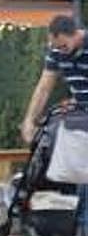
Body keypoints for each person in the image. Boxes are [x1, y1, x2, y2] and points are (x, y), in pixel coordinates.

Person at [20, 14, 88, 145]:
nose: (60, 51)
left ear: (75, 34)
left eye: (63, 46)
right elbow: (44, 88)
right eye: (56, 47)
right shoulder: (56, 51)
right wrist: (29, 121)